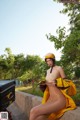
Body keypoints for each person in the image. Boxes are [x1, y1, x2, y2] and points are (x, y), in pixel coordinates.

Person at [30, 53, 76, 120]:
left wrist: (57, 82)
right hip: (51, 99)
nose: (48, 62)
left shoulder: (59, 68)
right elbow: (49, 82)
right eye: (47, 61)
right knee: (39, 117)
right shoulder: (47, 71)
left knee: (33, 111)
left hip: (59, 99)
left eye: (50, 60)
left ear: (53, 60)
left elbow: (67, 82)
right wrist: (44, 84)